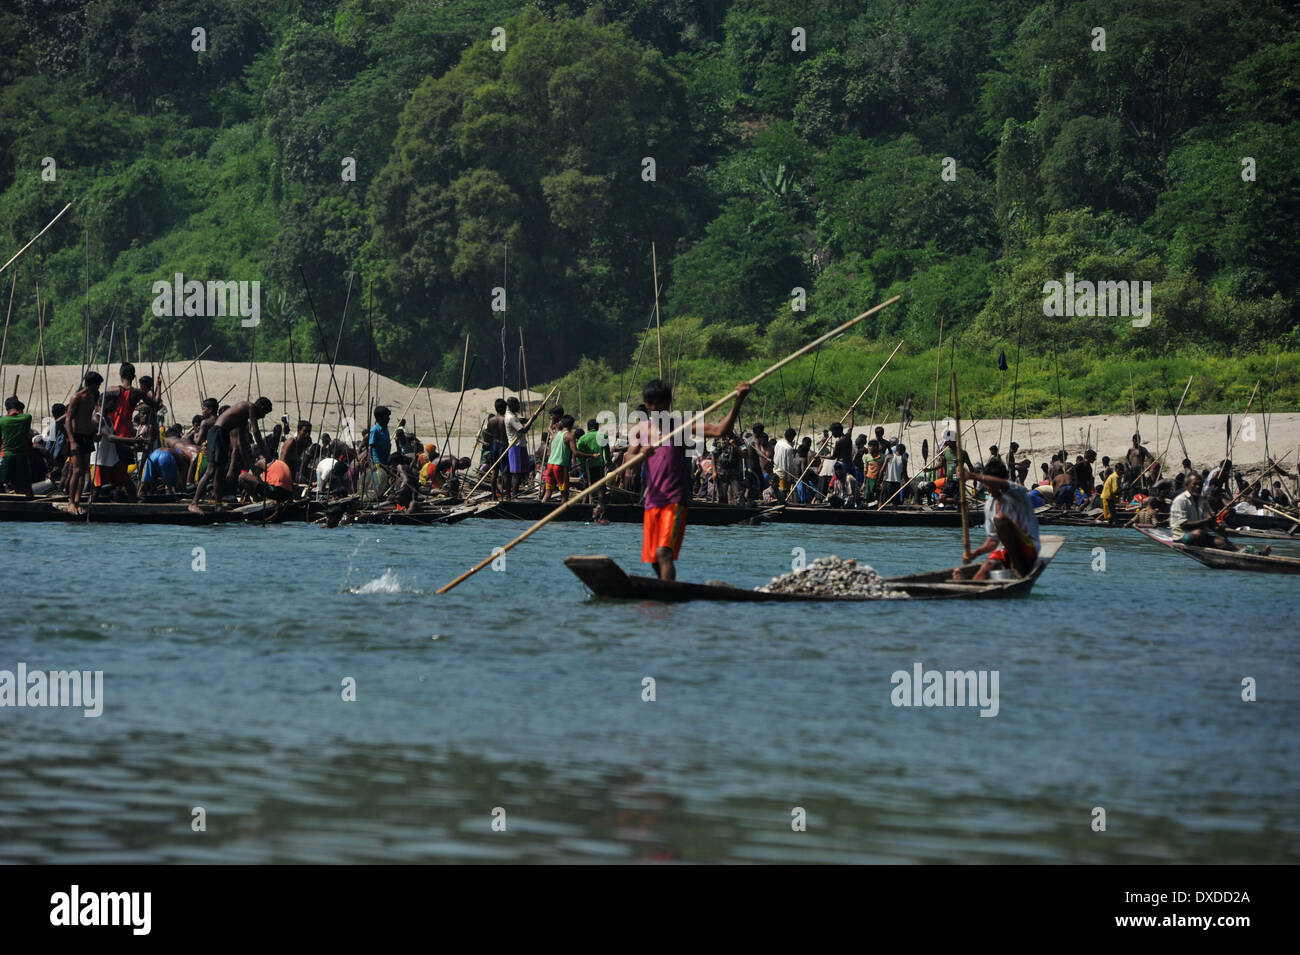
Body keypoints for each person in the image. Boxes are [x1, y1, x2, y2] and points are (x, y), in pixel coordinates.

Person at [627, 377, 749, 580]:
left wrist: (739, 401)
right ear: (646, 405)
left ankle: (666, 600)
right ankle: (664, 598)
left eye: (659, 403)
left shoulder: (680, 426)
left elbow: (720, 431)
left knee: (664, 553)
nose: (655, 408)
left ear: (668, 403)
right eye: (651, 403)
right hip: (651, 502)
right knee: (654, 559)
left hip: (674, 501)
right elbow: (628, 461)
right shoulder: (641, 430)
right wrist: (640, 455)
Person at [955, 460, 1041, 580]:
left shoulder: (1018, 493)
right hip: (1005, 551)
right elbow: (993, 541)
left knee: (1000, 519)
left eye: (991, 482)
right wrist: (974, 554)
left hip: (1028, 548)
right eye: (987, 483)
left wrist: (971, 476)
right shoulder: (989, 504)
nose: (988, 486)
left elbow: (1004, 485)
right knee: (984, 570)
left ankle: (1016, 567)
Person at [190, 397, 272, 512]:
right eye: (265, 413)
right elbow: (256, 431)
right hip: (217, 432)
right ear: (261, 407)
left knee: (219, 472)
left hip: (223, 436)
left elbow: (242, 444)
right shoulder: (250, 406)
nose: (263, 417)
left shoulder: (243, 418)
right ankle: (194, 503)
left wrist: (251, 466)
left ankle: (218, 504)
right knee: (211, 471)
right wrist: (264, 451)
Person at [1169, 472, 1249, 552]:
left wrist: (1221, 532)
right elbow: (1183, 524)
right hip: (1182, 537)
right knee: (1198, 533)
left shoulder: (1202, 500)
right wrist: (1206, 520)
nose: (1198, 487)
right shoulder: (1180, 500)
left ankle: (1250, 553)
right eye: (1195, 484)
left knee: (1226, 544)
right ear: (1187, 485)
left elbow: (1210, 521)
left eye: (1200, 485)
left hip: (1202, 535)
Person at [576, 417, 613, 521]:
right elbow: (607, 453)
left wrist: (582, 467)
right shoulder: (603, 436)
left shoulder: (582, 439)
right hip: (599, 467)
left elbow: (578, 455)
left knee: (588, 486)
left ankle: (585, 505)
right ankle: (601, 508)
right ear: (598, 427)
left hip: (587, 468)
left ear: (588, 428)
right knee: (601, 488)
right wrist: (609, 464)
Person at [0, 396, 34, 498]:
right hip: (22, 456)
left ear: (6, 408)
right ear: (19, 407)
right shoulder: (27, 417)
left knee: (2, 481)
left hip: (7, 455)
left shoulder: (2, 421)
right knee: (24, 485)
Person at [772, 428, 798, 500]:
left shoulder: (778, 443)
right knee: (783, 495)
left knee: (776, 494)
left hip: (775, 472)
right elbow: (789, 466)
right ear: (791, 437)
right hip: (783, 476)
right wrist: (790, 479)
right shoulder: (789, 448)